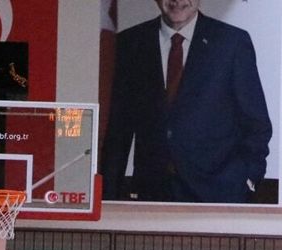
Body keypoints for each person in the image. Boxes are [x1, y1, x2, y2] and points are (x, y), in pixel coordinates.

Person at [100, 0, 271, 203]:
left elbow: (256, 124)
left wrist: (247, 179)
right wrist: (108, 196)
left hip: (219, 194)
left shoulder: (231, 42)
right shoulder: (131, 43)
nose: (178, 1)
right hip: (151, 195)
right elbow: (118, 130)